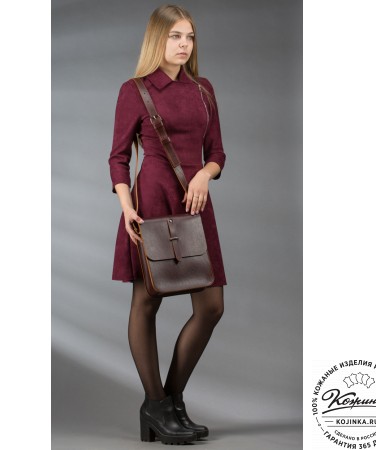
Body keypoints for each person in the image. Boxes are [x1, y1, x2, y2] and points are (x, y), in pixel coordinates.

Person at [108, 4, 227, 445]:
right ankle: (157, 405)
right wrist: (127, 207)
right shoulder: (135, 90)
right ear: (158, 39)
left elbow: (218, 152)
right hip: (152, 201)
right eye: (175, 36)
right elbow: (118, 157)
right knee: (147, 301)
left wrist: (204, 174)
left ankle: (170, 401)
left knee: (211, 307)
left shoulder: (203, 89)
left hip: (195, 203)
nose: (184, 44)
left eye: (189, 36)